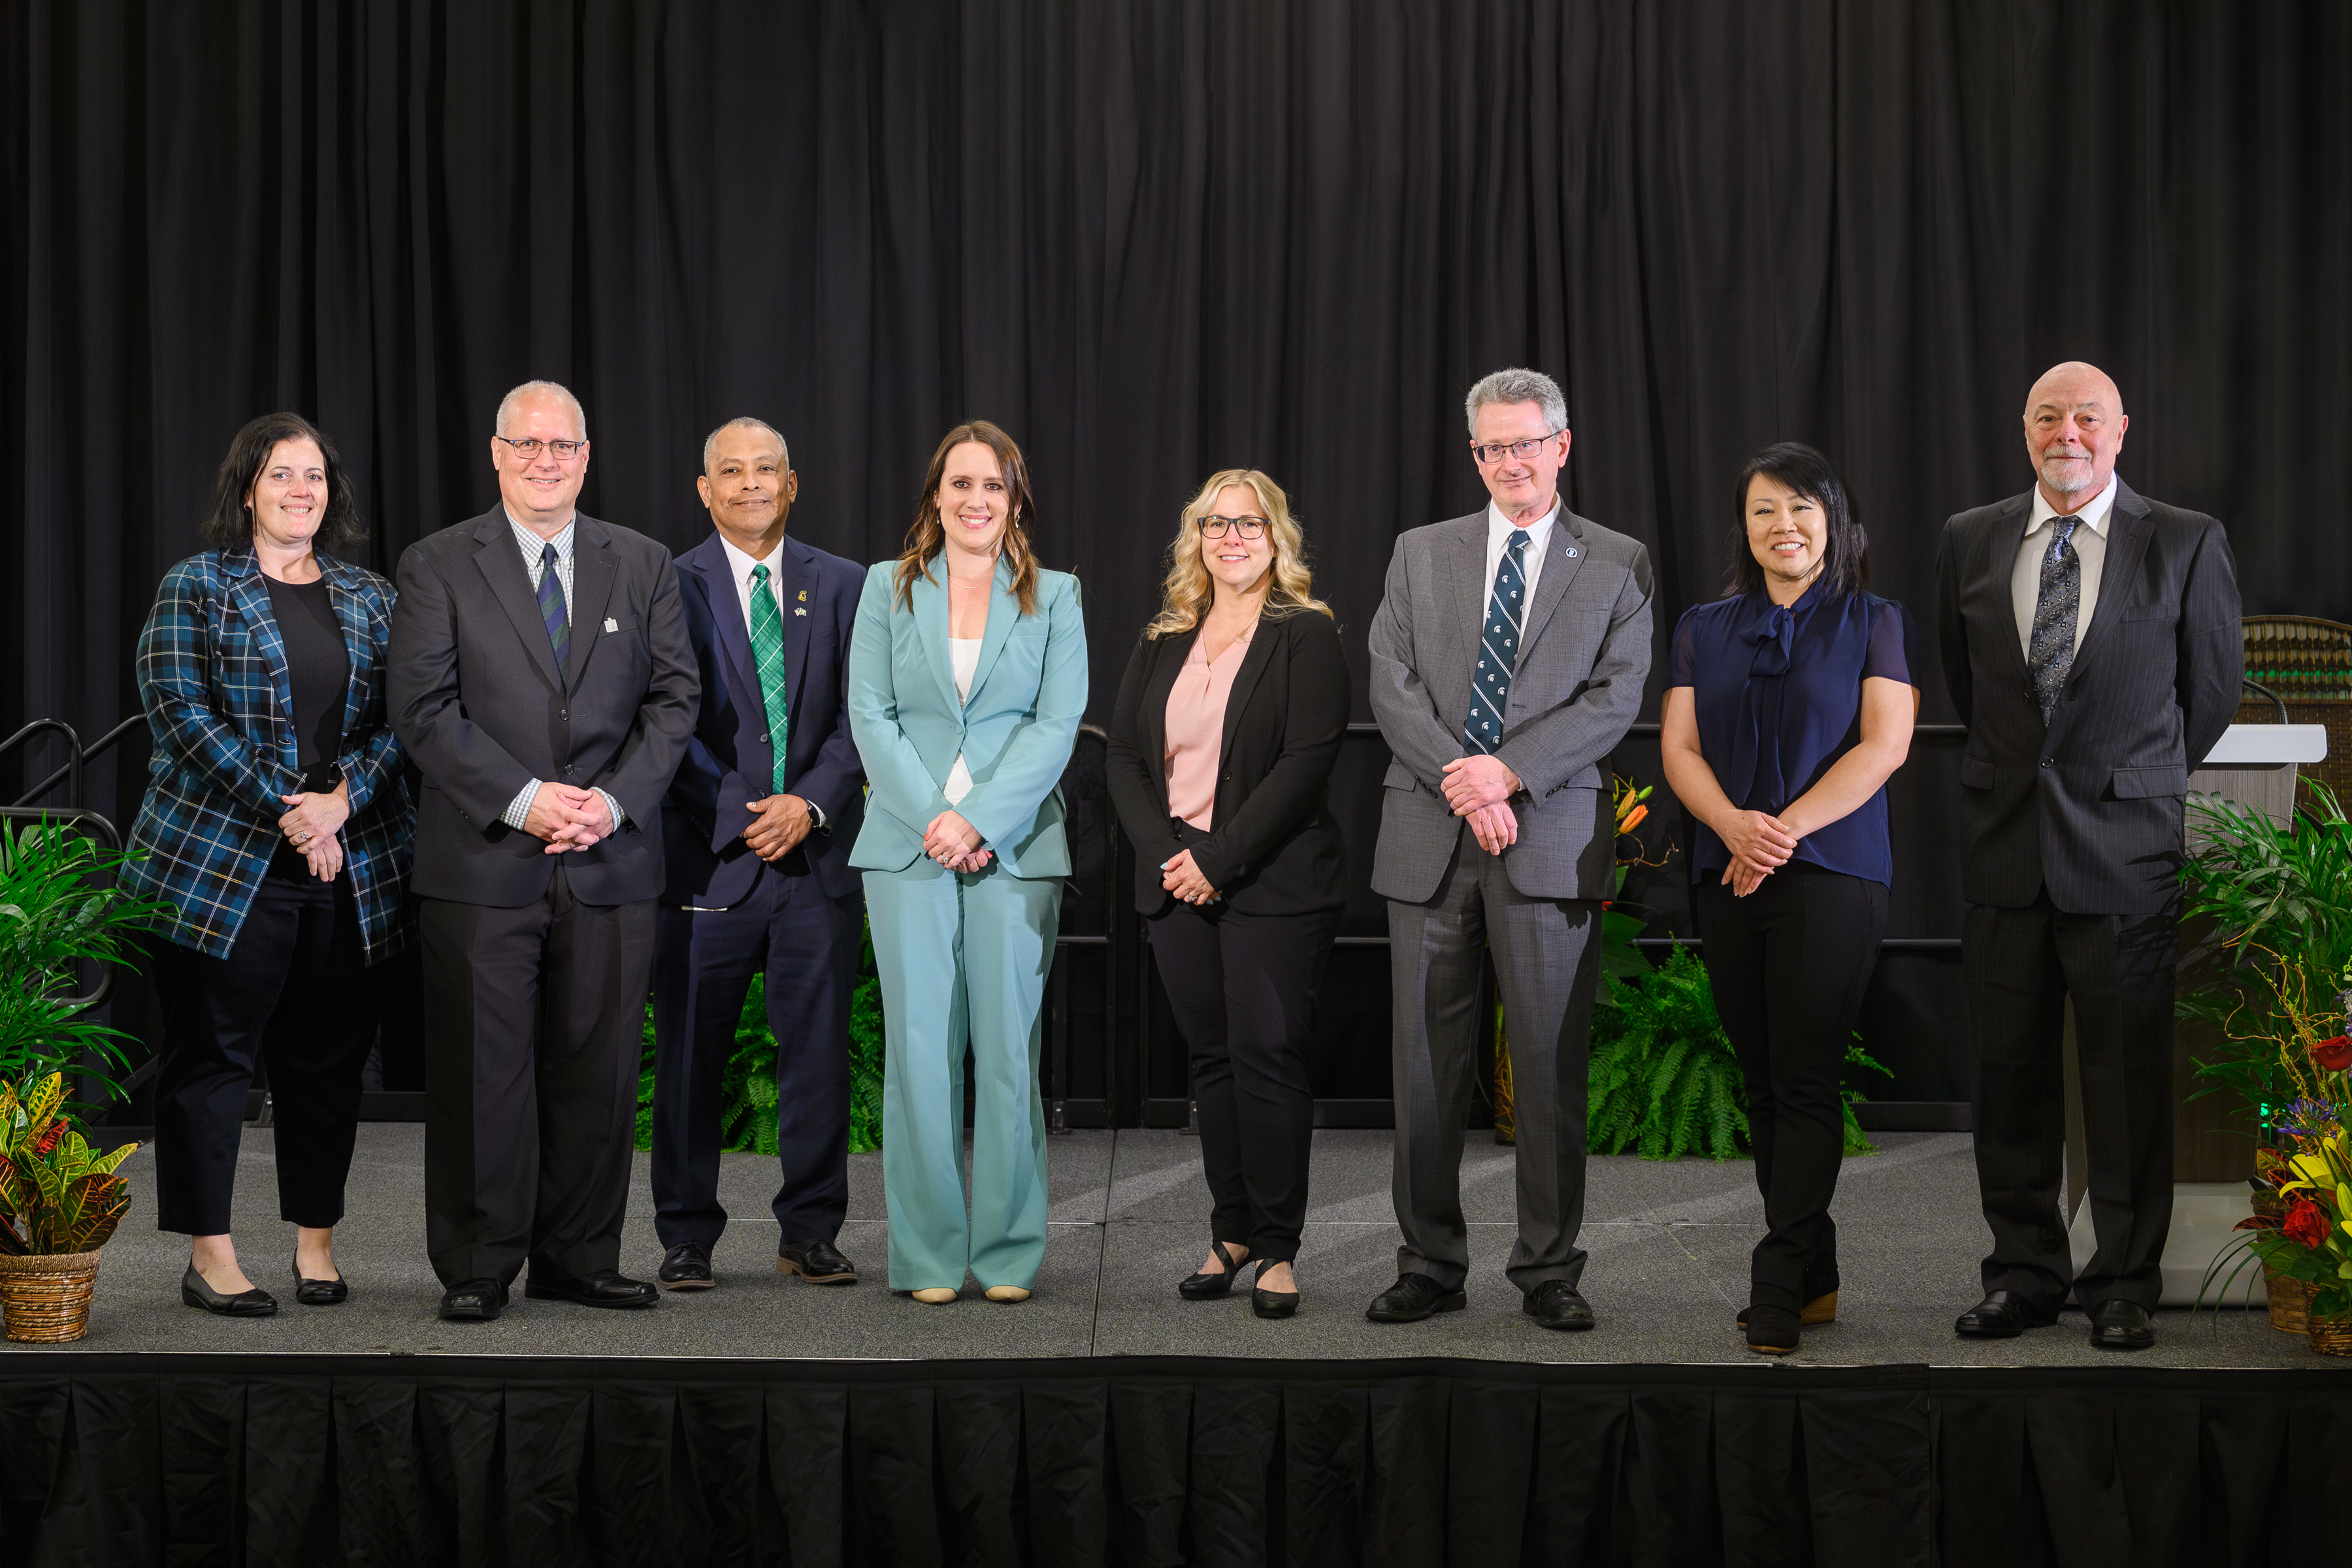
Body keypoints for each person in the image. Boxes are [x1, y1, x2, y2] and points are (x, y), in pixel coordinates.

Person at [1936, 361, 2240, 1352]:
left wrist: (2130, 782)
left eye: (2087, 417)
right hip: (2004, 854)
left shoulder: (2186, 541)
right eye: (2047, 416)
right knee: (2008, 1077)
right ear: (2025, 429)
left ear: (2121, 430)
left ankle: (2122, 1285)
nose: (2067, 432)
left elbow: (2212, 694)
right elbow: (1968, 684)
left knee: (2124, 1082)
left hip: (2126, 855)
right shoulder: (1970, 539)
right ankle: (2023, 1277)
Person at [388, 379, 698, 1323]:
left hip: (609, 858)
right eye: (525, 445)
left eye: (561, 446)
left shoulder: (642, 564)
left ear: (586, 457)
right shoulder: (437, 564)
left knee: (598, 1071)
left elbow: (675, 701)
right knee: (484, 1074)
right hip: (484, 865)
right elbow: (424, 711)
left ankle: (580, 1257)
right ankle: (480, 1261)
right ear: (495, 453)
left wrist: (609, 802)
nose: (543, 462)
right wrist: (525, 801)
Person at [1364, 367, 1653, 1331]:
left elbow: (1616, 698)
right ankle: (1428, 1262)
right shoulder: (1421, 552)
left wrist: (1509, 774)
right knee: (1421, 1070)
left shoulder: (1616, 561)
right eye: (1490, 447)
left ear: (1561, 446)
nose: (1508, 463)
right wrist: (1466, 775)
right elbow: (1391, 681)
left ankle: (1549, 1270)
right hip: (1430, 836)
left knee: (1546, 1065)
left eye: (1525, 444)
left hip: (1548, 838)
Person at [125, 412, 414, 1317]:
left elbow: (406, 718)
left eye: (316, 478)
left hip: (348, 865)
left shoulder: (371, 597)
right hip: (221, 865)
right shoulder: (198, 587)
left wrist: (340, 802)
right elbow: (179, 710)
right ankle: (210, 1255)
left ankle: (315, 1245)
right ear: (247, 487)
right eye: (283, 476)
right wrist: (290, 810)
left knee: (326, 1064)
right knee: (211, 1059)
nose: (301, 492)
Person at [1659, 442, 1919, 1356]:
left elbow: (1883, 747)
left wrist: (1781, 830)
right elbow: (1679, 749)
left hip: (1832, 873)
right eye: (1765, 509)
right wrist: (1734, 826)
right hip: (1726, 873)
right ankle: (1815, 1273)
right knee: (1765, 1083)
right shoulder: (1701, 626)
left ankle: (1776, 1280)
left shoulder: (1875, 620)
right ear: (1745, 526)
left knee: (1804, 1080)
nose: (1785, 526)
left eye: (1802, 507)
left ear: (1834, 523)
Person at [845, 419, 1086, 1305]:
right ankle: (931, 1258)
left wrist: (977, 819)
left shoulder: (1056, 596)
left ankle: (1013, 1255)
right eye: (960, 484)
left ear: (1015, 498)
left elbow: (1056, 726)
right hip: (907, 850)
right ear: (935, 497)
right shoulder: (886, 589)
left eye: (993, 485)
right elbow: (870, 714)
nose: (976, 500)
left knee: (1008, 1058)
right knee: (917, 1057)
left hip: (1014, 852)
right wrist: (933, 820)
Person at [1105, 469, 1350, 1320]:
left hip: (1272, 882)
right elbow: (1125, 760)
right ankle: (1232, 1231)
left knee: (1267, 1058)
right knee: (1212, 1061)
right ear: (1196, 538)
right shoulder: (1165, 635)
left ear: (1277, 538)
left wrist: (1218, 858)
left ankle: (1279, 1248)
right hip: (1175, 881)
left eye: (1250, 525)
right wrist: (1170, 856)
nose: (1233, 538)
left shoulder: (1306, 633)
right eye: (1217, 524)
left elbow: (1306, 764)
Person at [650, 417, 867, 1291]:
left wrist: (809, 805)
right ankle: (686, 1235)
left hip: (814, 862)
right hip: (710, 857)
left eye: (765, 469)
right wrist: (746, 812)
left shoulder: (847, 585)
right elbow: (660, 715)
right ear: (705, 491)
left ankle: (810, 1231)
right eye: (730, 471)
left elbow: (867, 716)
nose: (749, 483)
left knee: (816, 1056)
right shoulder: (667, 583)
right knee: (691, 1059)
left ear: (793, 482)